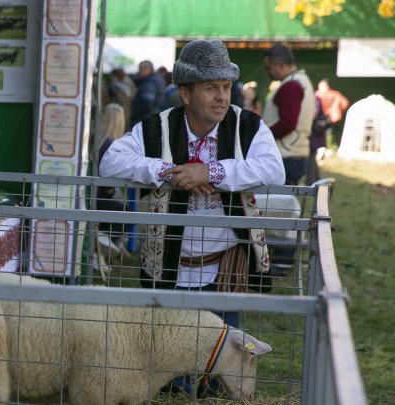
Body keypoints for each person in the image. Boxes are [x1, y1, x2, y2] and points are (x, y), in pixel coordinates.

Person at [100, 39, 285, 327]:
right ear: (185, 94)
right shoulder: (157, 127)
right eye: (211, 88)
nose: (222, 97)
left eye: (226, 86)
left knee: (222, 356)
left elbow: (275, 170)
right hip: (169, 269)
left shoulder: (248, 125)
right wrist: (170, 171)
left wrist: (212, 172)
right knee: (170, 359)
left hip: (225, 270)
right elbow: (110, 162)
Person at [262, 44, 315, 186]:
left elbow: (288, 123)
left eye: (268, 68)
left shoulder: (291, 85)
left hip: (285, 155)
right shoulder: (301, 80)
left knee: (276, 205)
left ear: (279, 65)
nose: (268, 72)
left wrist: (262, 136)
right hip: (293, 153)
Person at [92, 103, 132, 251]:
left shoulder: (95, 139)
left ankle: (104, 241)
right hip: (99, 196)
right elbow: (108, 182)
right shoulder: (109, 146)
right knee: (129, 215)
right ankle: (104, 244)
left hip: (91, 193)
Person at [130, 60, 166, 128]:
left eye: (140, 69)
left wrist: (134, 114)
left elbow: (146, 103)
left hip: (144, 121)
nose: (139, 72)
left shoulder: (150, 82)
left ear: (147, 69)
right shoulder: (157, 80)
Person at [315, 78, 349, 147]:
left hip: (320, 117)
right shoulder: (335, 94)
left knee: (322, 131)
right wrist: (339, 110)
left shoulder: (316, 94)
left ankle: (324, 145)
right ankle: (333, 145)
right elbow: (345, 103)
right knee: (333, 132)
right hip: (334, 117)